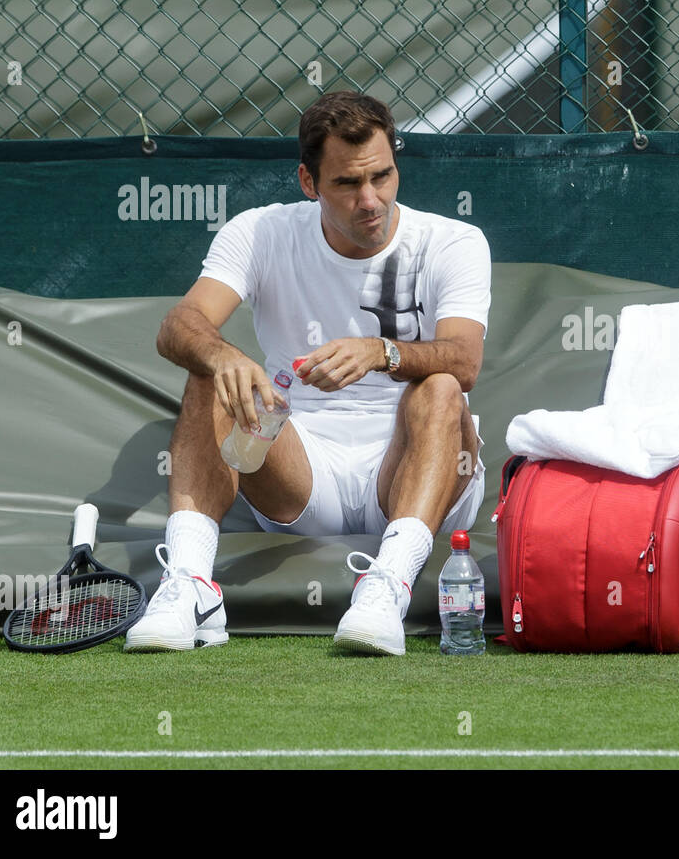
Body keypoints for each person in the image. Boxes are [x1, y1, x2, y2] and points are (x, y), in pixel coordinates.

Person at [124, 90, 491, 656]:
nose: (371, 200)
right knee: (209, 373)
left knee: (440, 388)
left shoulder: (454, 241)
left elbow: (464, 362)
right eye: (347, 184)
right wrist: (224, 357)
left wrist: (381, 352)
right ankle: (191, 587)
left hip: (412, 470)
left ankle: (389, 587)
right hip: (299, 471)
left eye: (383, 176)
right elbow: (180, 325)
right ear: (308, 182)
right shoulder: (260, 232)